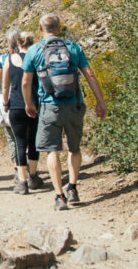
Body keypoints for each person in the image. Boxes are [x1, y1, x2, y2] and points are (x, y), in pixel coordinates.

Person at [22, 14, 107, 210]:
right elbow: (90, 74)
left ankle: (59, 196)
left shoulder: (34, 50)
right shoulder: (73, 47)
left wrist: (29, 103)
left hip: (50, 106)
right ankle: (73, 187)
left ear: (40, 27)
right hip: (75, 104)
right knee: (74, 148)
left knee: (52, 150)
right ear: (59, 28)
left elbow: (26, 82)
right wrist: (100, 102)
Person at [2, 31, 43, 193]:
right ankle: (33, 176)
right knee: (33, 141)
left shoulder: (9, 60)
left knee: (20, 142)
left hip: (16, 105)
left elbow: (5, 86)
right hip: (35, 104)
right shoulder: (37, 59)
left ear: (17, 43)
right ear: (32, 43)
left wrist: (5, 102)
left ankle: (22, 181)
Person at [0, 28, 20, 169]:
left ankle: (17, 167)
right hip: (26, 99)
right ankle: (28, 168)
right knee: (25, 136)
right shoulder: (28, 56)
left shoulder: (2, 59)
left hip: (7, 101)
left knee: (12, 138)